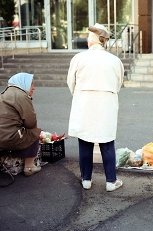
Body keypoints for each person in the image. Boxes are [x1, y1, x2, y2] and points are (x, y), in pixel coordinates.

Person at [67, 23, 124, 192]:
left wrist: (81, 94)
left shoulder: (78, 58)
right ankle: (111, 182)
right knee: (107, 142)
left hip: (84, 103)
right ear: (104, 42)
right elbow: (118, 84)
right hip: (106, 104)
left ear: (90, 41)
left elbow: (71, 83)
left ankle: (86, 180)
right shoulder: (115, 60)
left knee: (85, 141)